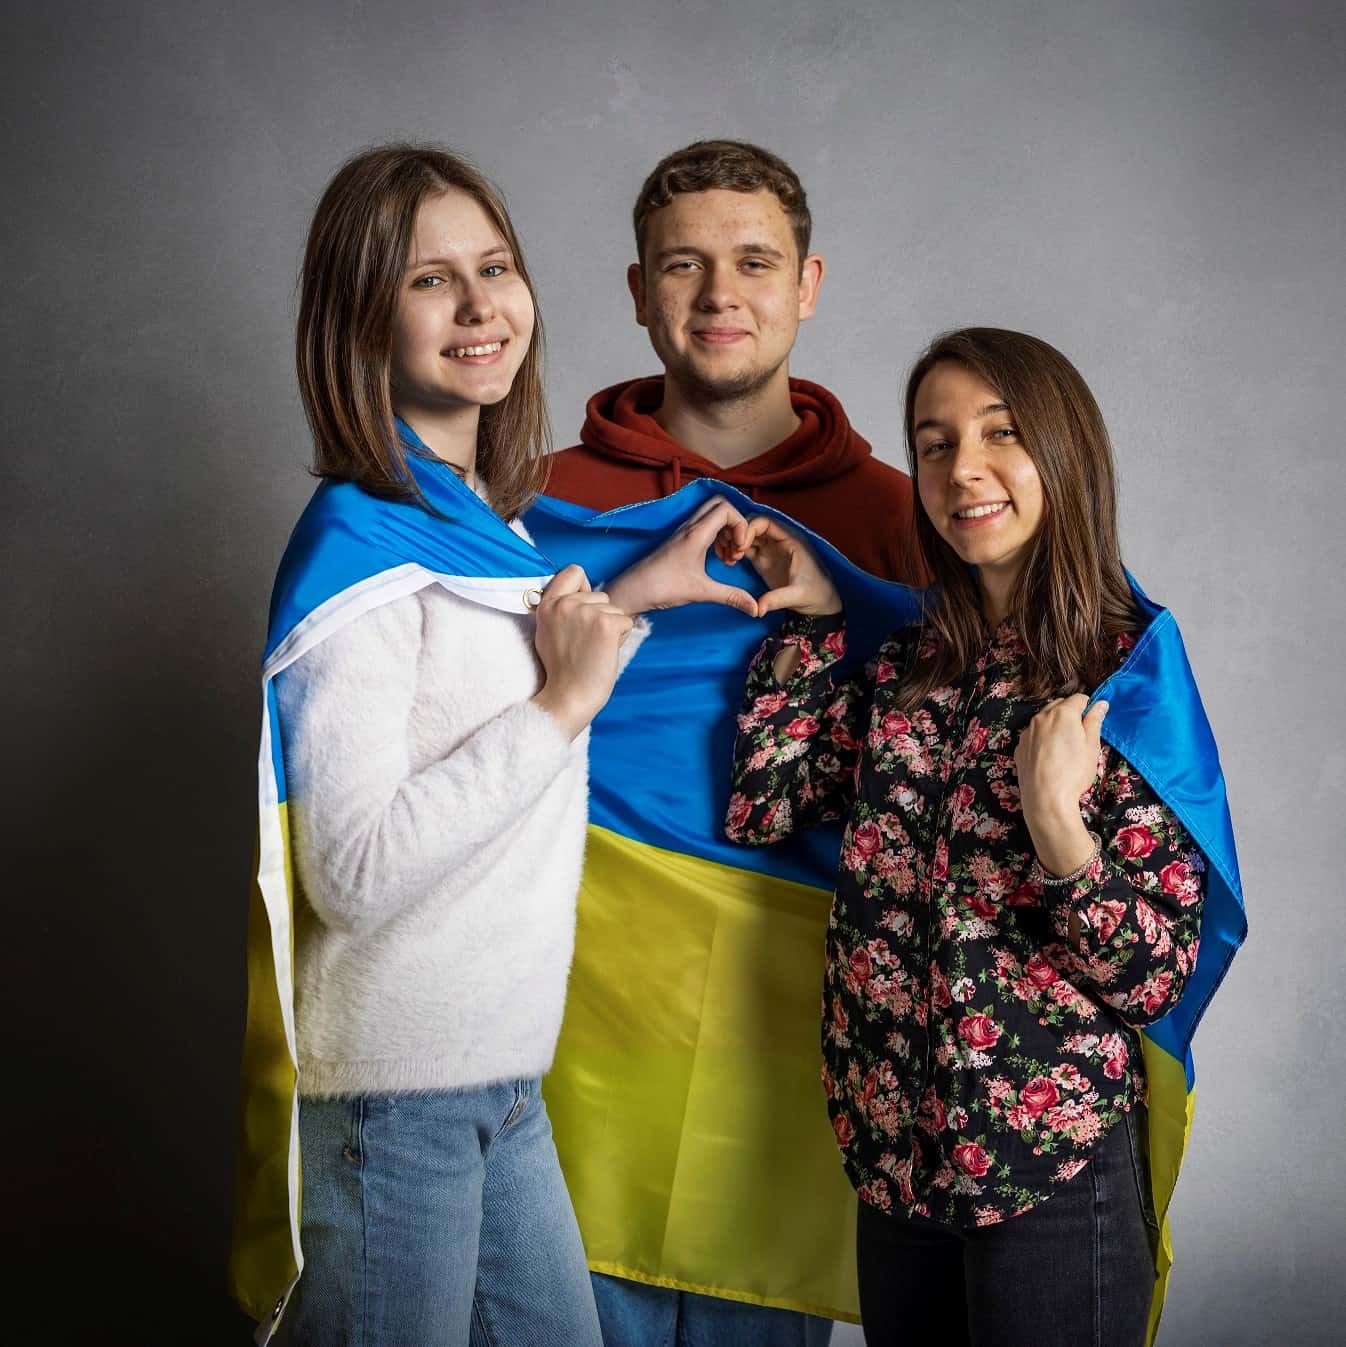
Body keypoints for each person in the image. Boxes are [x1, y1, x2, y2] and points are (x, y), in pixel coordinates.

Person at [263, 143, 748, 1347]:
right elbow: (355, 870)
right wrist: (561, 709)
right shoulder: (359, 556)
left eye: (495, 267)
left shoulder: (477, 521)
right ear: (361, 316)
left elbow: (488, 684)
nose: (482, 308)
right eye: (432, 281)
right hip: (393, 1099)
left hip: (493, 1080)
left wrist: (641, 592)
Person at [721, 328, 1209, 1347]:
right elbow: (765, 809)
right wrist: (810, 625)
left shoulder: (1125, 677)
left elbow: (1156, 977)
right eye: (931, 442)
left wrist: (1055, 831)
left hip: (1047, 1171)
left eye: (1001, 433)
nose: (962, 468)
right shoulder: (907, 665)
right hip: (895, 1167)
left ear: (1063, 454)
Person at [542, 138, 923, 1347]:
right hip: (574, 1004)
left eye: (754, 262)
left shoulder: (903, 516)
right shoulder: (536, 495)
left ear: (807, 283)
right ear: (637, 290)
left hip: (794, 1013)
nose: (719, 296)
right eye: (683, 266)